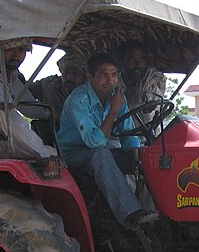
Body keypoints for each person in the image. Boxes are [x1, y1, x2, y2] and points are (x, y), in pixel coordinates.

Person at [57, 53, 158, 228]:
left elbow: (127, 133)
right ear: (90, 77)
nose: (110, 80)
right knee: (100, 154)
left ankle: (157, 215)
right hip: (72, 155)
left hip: (101, 150)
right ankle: (130, 213)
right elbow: (94, 142)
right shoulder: (78, 100)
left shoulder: (116, 97)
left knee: (147, 155)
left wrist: (135, 156)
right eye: (104, 75)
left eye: (113, 75)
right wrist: (113, 110)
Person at [28, 52, 87, 130]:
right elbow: (23, 90)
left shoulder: (89, 94)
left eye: (75, 73)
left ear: (84, 76)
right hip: (47, 135)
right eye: (66, 73)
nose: (69, 77)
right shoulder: (47, 85)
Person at [119, 40, 167, 123]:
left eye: (141, 58)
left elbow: (160, 109)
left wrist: (150, 107)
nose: (138, 63)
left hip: (151, 133)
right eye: (132, 58)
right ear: (123, 61)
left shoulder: (152, 83)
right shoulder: (113, 85)